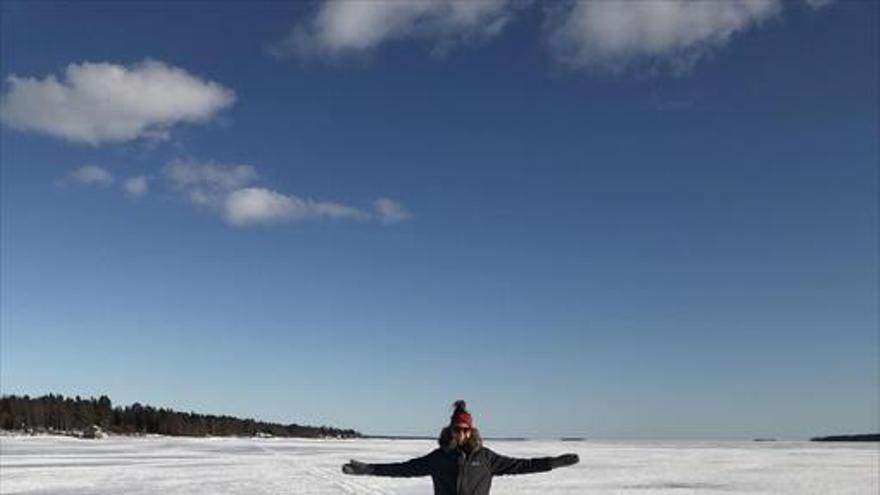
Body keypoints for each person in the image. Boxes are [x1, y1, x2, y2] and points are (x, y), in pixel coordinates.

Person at [342, 400, 580, 495]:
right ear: (451, 430)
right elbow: (404, 469)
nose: (461, 433)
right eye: (457, 429)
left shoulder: (486, 458)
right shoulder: (439, 457)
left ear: (471, 430)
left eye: (465, 429)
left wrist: (552, 463)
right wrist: (369, 469)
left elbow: (522, 465)